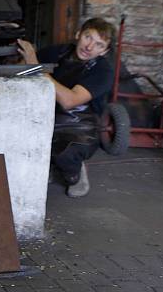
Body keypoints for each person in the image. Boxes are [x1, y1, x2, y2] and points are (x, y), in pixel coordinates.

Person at [17, 18, 116, 198]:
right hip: (42, 117)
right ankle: (49, 165)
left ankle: (75, 174)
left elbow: (70, 101)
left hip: (79, 126)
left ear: (104, 51)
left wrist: (36, 67)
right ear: (78, 34)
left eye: (99, 44)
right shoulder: (58, 52)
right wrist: (23, 57)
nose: (89, 46)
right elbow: (22, 67)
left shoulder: (103, 71)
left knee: (66, 152)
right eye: (88, 37)